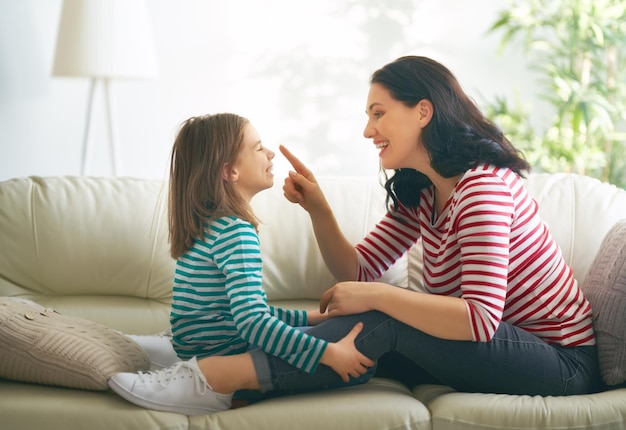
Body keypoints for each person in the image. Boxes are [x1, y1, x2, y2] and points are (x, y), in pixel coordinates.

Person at [109, 56, 603, 415]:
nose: (368, 130)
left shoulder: (483, 191)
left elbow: (478, 320)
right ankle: (221, 367)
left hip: (557, 361)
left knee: (384, 317)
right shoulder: (425, 192)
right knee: (360, 339)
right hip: (493, 348)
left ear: (423, 112)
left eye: (378, 112)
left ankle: (214, 375)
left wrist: (379, 296)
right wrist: (320, 209)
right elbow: (357, 271)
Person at [108, 113, 375, 415]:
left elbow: (239, 312)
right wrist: (327, 353)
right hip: (225, 355)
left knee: (331, 326)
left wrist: (310, 318)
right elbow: (252, 323)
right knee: (359, 363)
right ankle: (214, 386)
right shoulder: (237, 232)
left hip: (193, 348)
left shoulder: (208, 225)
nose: (271, 154)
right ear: (230, 171)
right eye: (259, 148)